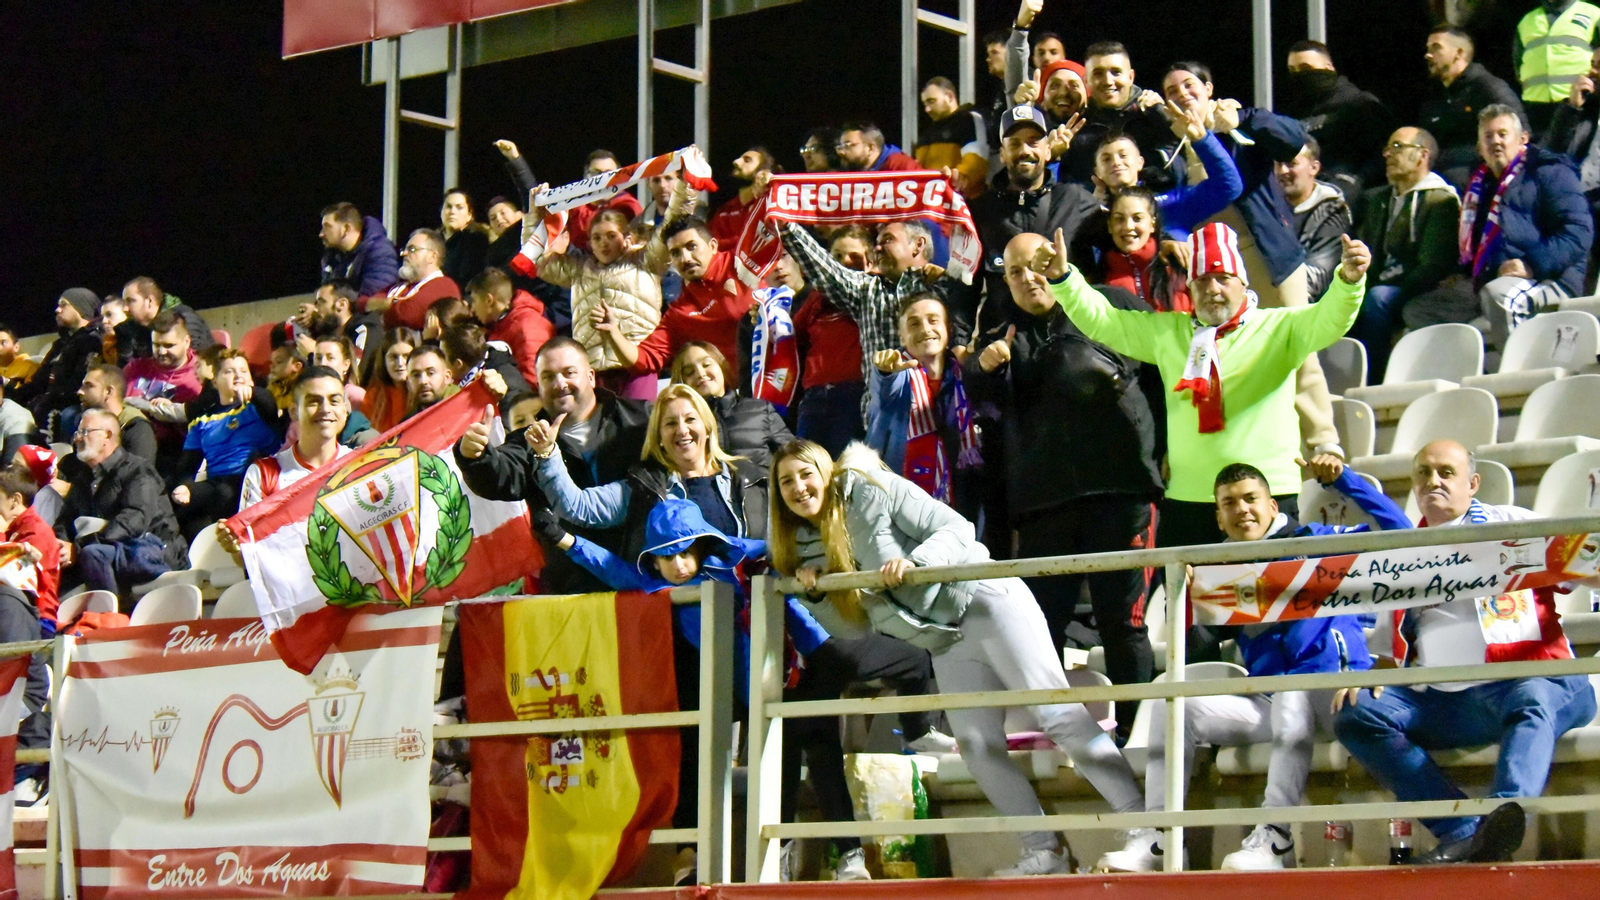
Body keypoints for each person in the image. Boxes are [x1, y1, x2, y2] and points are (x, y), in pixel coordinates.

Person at [769, 440, 1146, 877]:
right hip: (944, 641)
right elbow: (855, 629)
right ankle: (1045, 852)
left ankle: (1147, 832)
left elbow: (956, 528)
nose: (799, 487)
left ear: (827, 471)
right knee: (977, 747)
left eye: (806, 473)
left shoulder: (871, 487)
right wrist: (816, 594)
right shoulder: (806, 548)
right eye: (786, 481)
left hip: (984, 601)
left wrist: (917, 564)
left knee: (1057, 714)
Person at [1098, 454, 1407, 873]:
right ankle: (1161, 839)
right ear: (1219, 518)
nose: (1242, 509)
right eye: (1229, 503)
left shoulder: (1317, 542)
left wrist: (1345, 481)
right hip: (1270, 701)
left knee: (1292, 691)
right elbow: (1193, 643)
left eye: (1250, 499)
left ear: (1273, 506)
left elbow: (1404, 535)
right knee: (1175, 707)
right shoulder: (1221, 573)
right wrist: (1182, 600)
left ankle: (1275, 838)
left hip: (1335, 694)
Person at [1333, 439, 1598, 864]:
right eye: (1423, 472)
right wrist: (1370, 680)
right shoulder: (1403, 554)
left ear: (1473, 483)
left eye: (1446, 472)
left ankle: (1499, 823)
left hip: (1535, 681)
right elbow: (1387, 651)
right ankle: (1462, 831)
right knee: (1356, 713)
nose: (1433, 481)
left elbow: (1586, 569)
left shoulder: (1512, 523)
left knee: (1530, 696)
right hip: (1447, 702)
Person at [1043, 222, 1370, 552]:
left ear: (1243, 283)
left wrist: (1348, 281)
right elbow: (1105, 321)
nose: (1212, 288)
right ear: (1189, 288)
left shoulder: (1280, 326)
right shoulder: (1168, 332)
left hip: (1266, 495)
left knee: (1270, 587)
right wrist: (1063, 279)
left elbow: (1330, 320)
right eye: (1202, 281)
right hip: (1188, 498)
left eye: (1223, 278)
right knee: (1182, 588)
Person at [966, 232, 1163, 733]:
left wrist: (1164, 455)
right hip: (1043, 504)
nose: (1028, 278)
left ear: (1059, 259)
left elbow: (1165, 373)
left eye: (1036, 264)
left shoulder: (1112, 303)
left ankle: (1136, 737)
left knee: (1122, 623)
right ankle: (1054, 735)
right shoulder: (1002, 337)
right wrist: (983, 370)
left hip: (1122, 491)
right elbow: (978, 407)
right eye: (1014, 272)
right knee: (1039, 629)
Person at [1162, 62, 1345, 461]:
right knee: (1238, 359)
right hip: (1213, 272)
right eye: (1171, 91)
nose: (1181, 95)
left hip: (1266, 254)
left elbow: (1293, 140)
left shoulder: (1239, 127)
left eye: (1189, 85)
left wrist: (1243, 120)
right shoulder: (1167, 150)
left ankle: (1323, 442)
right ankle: (1271, 452)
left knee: (1297, 346)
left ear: (1209, 89)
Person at [455, 336, 652, 594]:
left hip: (646, 581)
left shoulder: (643, 419)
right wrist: (474, 456)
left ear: (591, 377)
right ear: (538, 386)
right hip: (571, 592)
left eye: (569, 373)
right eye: (548, 377)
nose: (560, 384)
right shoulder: (528, 441)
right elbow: (500, 475)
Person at [1405, 104, 1593, 348]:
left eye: (1503, 134)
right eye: (1488, 136)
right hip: (1489, 280)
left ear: (1523, 139)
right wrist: (1463, 272)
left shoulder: (1549, 172)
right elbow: (1478, 243)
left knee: (1499, 297)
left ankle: (1517, 369)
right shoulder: (1477, 186)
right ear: (1479, 147)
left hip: (1550, 277)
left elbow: (1579, 231)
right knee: (1419, 311)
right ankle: (1474, 366)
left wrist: (1531, 264)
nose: (1495, 141)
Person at [778, 219, 952, 414]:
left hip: (939, 411)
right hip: (882, 417)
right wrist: (787, 227)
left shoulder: (945, 285)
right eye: (877, 243)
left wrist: (948, 281)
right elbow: (825, 269)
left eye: (888, 240)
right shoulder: (867, 288)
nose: (877, 248)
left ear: (918, 245)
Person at [967, 104, 1101, 338]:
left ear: (1048, 151)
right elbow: (964, 284)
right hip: (1003, 342)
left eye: (1033, 142)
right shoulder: (980, 210)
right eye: (1014, 144)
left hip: (1070, 338)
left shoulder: (1074, 199)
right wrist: (959, 341)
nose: (1024, 151)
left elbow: (1122, 235)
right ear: (1002, 154)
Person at [1351, 127, 1463, 381]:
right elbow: (1369, 255)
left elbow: (1433, 265)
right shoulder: (1379, 201)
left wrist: (1382, 286)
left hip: (1417, 288)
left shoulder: (1440, 201)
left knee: (1378, 299)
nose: (1388, 154)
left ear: (1422, 155)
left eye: (1398, 147)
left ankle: (1373, 381)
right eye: (1387, 148)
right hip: (1382, 284)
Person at [530, 206, 670, 400]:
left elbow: (672, 226)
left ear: (627, 238)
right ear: (590, 244)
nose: (604, 243)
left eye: (611, 236)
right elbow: (535, 257)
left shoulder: (646, 261)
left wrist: (685, 190)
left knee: (638, 418)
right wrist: (534, 215)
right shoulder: (579, 270)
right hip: (595, 369)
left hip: (637, 365)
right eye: (597, 238)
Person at [865, 294, 982, 522]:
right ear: (901, 335)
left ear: (948, 329)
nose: (925, 329)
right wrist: (885, 372)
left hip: (963, 498)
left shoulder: (965, 374)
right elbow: (883, 393)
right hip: (901, 504)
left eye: (933, 320)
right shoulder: (897, 373)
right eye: (914, 324)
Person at [55, 408, 186, 600]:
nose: (78, 438)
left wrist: (79, 547)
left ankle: (109, 615)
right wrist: (62, 546)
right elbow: (65, 520)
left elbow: (133, 520)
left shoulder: (138, 470)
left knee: (93, 554)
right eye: (77, 433)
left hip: (153, 550)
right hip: (109, 550)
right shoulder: (82, 480)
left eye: (84, 432)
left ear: (107, 436)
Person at [169, 349, 284, 539]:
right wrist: (186, 486)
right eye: (229, 371)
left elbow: (269, 406)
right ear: (215, 381)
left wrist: (253, 393)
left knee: (224, 494)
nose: (238, 376)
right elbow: (188, 465)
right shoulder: (202, 421)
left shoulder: (258, 407)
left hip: (258, 479)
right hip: (218, 482)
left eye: (244, 371)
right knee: (182, 507)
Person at [1281, 40, 1395, 198]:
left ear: (1328, 68)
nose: (1299, 75)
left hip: (1349, 196)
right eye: (1293, 70)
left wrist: (1357, 180)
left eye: (1306, 68)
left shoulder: (1360, 103)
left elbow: (1384, 150)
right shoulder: (1295, 112)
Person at [782, 250, 868, 457]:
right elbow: (792, 336)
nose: (845, 261)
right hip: (814, 396)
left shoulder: (870, 292)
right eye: (837, 256)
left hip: (853, 394)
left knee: (847, 464)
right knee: (807, 461)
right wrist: (766, 317)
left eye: (853, 255)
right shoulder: (816, 297)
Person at [1421, 26, 1527, 188]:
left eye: (1436, 48)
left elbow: (1521, 135)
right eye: (1428, 49)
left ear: (1459, 53)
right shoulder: (1435, 96)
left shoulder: (1489, 88)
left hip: (1483, 180)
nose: (1428, 55)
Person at [236, 366, 352, 511]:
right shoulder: (263, 474)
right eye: (314, 402)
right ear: (293, 411)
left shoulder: (362, 466)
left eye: (334, 401)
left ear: (345, 410)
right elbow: (248, 526)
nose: (325, 409)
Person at [670, 342, 793, 473]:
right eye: (689, 372)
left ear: (721, 366)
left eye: (706, 364)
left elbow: (794, 456)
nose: (700, 373)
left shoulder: (761, 410)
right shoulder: (682, 426)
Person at [1072, 43, 1178, 189]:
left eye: (1116, 72)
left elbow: (1180, 167)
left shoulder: (1154, 114)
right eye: (1098, 73)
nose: (1108, 81)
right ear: (1086, 80)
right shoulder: (1077, 125)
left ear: (1130, 77)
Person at [1544, 45, 1600, 290]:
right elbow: (1552, 151)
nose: (1592, 72)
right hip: (1576, 198)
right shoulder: (1587, 109)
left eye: (1599, 66)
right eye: (1592, 64)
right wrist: (1572, 108)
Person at [123, 311, 204, 471]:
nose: (161, 352)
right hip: (126, 443)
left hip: (172, 453)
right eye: (156, 345)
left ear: (186, 342)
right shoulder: (136, 368)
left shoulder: (200, 377)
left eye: (169, 345)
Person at [1276, 137, 1353, 298]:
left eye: (1291, 163)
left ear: (1314, 168)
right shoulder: (1267, 206)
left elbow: (1316, 279)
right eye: (1278, 164)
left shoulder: (1332, 211)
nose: (1282, 171)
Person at [1093, 188, 1193, 312]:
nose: (1128, 226)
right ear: (1110, 226)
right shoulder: (1100, 274)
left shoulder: (1178, 260)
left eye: (1137, 218)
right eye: (1119, 219)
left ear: (1152, 224)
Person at [1514, 0, 1600, 136]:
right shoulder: (1527, 21)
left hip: (1579, 107)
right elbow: (1518, 64)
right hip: (1535, 112)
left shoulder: (1593, 14)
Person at [466, 266, 555, 386]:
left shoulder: (526, 327)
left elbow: (533, 380)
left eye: (474, 301)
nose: (472, 309)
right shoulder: (501, 324)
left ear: (489, 300)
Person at [368, 229, 463, 331]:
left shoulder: (444, 286)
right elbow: (365, 303)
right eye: (404, 249)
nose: (404, 253)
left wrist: (381, 308)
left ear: (432, 256)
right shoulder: (400, 284)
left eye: (412, 249)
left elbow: (408, 315)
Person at [915, 76, 990, 197]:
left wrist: (960, 178)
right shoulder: (927, 132)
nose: (927, 109)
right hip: (935, 200)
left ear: (949, 96)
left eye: (931, 101)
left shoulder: (968, 120)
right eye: (925, 103)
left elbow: (977, 158)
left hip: (964, 200)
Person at [565, 149, 646, 253]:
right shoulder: (574, 207)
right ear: (586, 177)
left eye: (609, 174)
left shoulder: (630, 207)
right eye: (595, 173)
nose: (602, 179)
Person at [76, 365, 157, 463]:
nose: (80, 391)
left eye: (89, 386)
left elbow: (140, 471)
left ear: (108, 391)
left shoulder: (137, 429)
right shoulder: (85, 423)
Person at [318, 201, 400, 298]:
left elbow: (371, 300)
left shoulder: (380, 252)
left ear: (346, 229)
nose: (321, 234)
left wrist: (335, 300)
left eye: (327, 227)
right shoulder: (332, 258)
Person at [118, 277, 215, 358]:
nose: (125, 308)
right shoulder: (131, 326)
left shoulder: (185, 320)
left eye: (131, 301)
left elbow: (198, 361)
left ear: (150, 301)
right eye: (124, 302)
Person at [308, 280, 384, 384]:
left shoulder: (364, 330)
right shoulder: (332, 334)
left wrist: (314, 353)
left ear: (341, 304)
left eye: (322, 302)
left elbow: (356, 377)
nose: (315, 309)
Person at [709, 147, 775, 245]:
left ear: (763, 172)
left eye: (747, 160)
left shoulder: (771, 208)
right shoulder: (723, 212)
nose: (736, 162)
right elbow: (712, 248)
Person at [361, 327, 420, 434]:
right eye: (393, 357)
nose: (400, 363)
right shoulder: (374, 396)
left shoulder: (422, 391)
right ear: (384, 360)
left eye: (406, 356)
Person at [439, 188, 491, 289]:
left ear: (469, 215)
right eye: (448, 206)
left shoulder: (477, 241)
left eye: (459, 207)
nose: (452, 211)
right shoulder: (430, 241)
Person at [835, 122, 919, 172]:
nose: (841, 152)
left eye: (848, 145)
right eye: (841, 147)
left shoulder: (901, 166)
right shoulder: (854, 168)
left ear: (870, 148)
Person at [404, 346, 456, 416]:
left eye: (431, 373)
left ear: (447, 377)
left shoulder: (465, 415)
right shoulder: (408, 422)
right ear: (408, 383)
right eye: (416, 375)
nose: (423, 381)